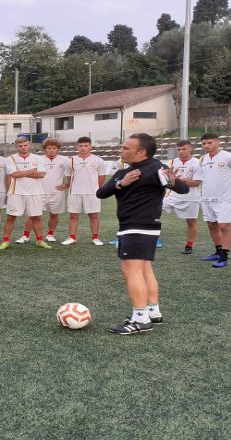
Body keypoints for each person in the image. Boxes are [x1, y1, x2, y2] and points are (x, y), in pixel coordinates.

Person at [96, 133, 189, 335]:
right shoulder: (124, 171)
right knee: (144, 269)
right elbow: (101, 193)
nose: (121, 150)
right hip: (134, 226)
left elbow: (183, 189)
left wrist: (172, 181)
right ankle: (153, 312)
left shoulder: (155, 168)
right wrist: (122, 183)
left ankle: (140, 319)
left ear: (141, 152)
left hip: (139, 226)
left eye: (126, 148)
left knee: (131, 271)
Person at [190, 133, 231, 268]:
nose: (206, 146)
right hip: (206, 197)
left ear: (217, 142)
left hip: (224, 198)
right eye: (204, 143)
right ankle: (218, 251)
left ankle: (224, 256)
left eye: (209, 142)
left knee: (224, 226)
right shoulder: (203, 159)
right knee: (212, 225)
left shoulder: (230, 157)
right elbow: (201, 178)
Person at [0, 137, 52, 251]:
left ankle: (40, 241)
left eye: (25, 145)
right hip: (16, 192)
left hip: (35, 192)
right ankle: (6, 241)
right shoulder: (10, 158)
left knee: (36, 217)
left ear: (29, 145)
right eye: (20, 146)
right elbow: (14, 175)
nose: (23, 148)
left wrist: (21, 173)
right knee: (11, 217)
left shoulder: (38, 158)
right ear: (16, 147)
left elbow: (41, 174)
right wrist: (32, 171)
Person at [17, 138, 69, 243]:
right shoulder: (38, 159)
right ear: (44, 149)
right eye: (49, 148)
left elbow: (73, 172)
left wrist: (67, 185)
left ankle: (50, 234)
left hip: (56, 193)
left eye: (54, 148)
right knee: (33, 215)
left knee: (54, 214)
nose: (51, 150)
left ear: (58, 149)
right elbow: (29, 173)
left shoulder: (65, 160)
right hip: (39, 192)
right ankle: (26, 236)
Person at [62, 136, 107, 246]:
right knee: (73, 215)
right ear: (77, 147)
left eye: (86, 146)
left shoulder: (98, 160)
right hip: (75, 192)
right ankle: (72, 237)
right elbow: (69, 177)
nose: (83, 148)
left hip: (92, 193)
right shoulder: (70, 161)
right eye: (81, 146)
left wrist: (95, 188)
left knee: (93, 215)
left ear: (90, 146)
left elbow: (102, 177)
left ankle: (95, 237)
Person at [161, 140, 201, 254]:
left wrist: (177, 180)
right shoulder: (170, 163)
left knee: (191, 222)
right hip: (171, 196)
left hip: (191, 197)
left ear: (191, 149)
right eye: (178, 149)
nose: (181, 151)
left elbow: (196, 183)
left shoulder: (198, 163)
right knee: (152, 211)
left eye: (184, 149)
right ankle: (150, 237)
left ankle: (189, 245)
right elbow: (165, 180)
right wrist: (185, 180)